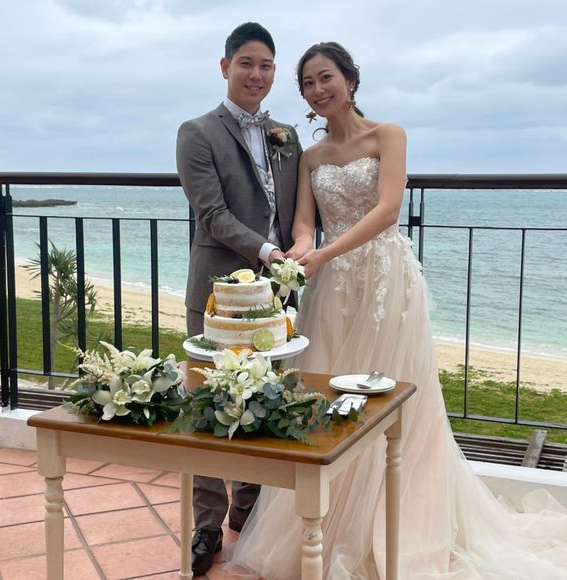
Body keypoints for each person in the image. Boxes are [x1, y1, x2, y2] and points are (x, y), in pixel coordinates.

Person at [226, 42, 567, 579]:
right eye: (308, 83)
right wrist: (300, 251)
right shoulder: (311, 156)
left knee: (393, 399)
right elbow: (304, 223)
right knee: (328, 396)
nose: (317, 90)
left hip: (386, 280)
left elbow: (387, 211)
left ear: (350, 80)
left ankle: (399, 523)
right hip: (333, 287)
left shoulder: (389, 135)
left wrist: (323, 254)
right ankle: (327, 520)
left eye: (325, 77)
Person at [176, 22, 302, 575]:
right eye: (246, 63)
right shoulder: (197, 132)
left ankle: (248, 506)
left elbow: (298, 209)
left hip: (274, 294)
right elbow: (212, 213)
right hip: (216, 292)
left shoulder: (287, 135)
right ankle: (207, 525)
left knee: (264, 396)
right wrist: (270, 252)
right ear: (225, 66)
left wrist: (297, 255)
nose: (256, 74)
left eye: (266, 65)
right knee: (207, 405)